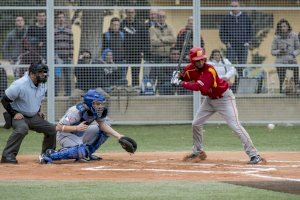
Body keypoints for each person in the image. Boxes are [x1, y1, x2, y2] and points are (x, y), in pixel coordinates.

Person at [171, 47, 265, 164]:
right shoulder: (189, 69)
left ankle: (255, 155)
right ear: (192, 61)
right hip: (209, 100)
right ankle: (198, 152)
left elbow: (200, 87)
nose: (200, 62)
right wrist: (177, 76)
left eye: (202, 59)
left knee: (235, 126)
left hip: (224, 99)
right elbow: (184, 76)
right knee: (196, 124)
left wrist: (180, 83)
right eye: (197, 60)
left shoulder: (209, 70)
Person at [39, 89, 136, 164]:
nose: (100, 106)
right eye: (97, 103)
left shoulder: (94, 111)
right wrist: (76, 128)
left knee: (104, 130)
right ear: (90, 103)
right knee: (81, 150)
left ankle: (87, 154)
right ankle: (50, 155)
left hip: (80, 134)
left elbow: (102, 125)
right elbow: (58, 127)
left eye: (100, 103)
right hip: (65, 135)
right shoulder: (75, 111)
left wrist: (119, 136)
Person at [1, 61, 56, 164]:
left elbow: (38, 99)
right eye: (40, 72)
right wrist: (14, 113)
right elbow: (4, 100)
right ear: (31, 74)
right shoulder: (20, 84)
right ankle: (7, 156)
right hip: (18, 115)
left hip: (33, 116)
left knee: (51, 129)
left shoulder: (43, 85)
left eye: (44, 72)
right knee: (22, 128)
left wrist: (38, 111)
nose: (43, 75)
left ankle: (47, 155)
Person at [219, 0, 253, 79]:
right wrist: (226, 42)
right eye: (232, 6)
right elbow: (222, 32)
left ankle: (240, 82)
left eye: (235, 6)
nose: (233, 8)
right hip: (231, 46)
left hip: (243, 45)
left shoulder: (246, 17)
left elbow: (251, 30)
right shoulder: (226, 18)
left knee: (242, 66)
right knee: (230, 66)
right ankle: (229, 84)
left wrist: (248, 42)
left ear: (239, 7)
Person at [271, 19, 300, 93]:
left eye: (284, 26)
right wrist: (279, 51)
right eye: (281, 27)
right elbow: (272, 51)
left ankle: (297, 86)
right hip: (280, 60)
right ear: (279, 28)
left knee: (296, 67)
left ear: (288, 26)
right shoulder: (276, 37)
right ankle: (282, 87)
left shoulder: (294, 35)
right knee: (281, 70)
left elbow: (298, 48)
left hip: (291, 59)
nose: (283, 28)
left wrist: (293, 54)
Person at [120, 9, 145, 86]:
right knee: (123, 74)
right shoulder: (122, 24)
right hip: (125, 53)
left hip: (136, 53)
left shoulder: (140, 24)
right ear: (126, 13)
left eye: (132, 12)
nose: (130, 14)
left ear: (134, 13)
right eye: (128, 12)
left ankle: (136, 90)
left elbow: (143, 38)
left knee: (135, 75)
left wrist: (142, 51)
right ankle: (122, 89)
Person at [54, 11, 74, 96]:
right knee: (57, 76)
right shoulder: (54, 31)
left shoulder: (69, 31)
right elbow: (52, 44)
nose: (61, 19)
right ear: (57, 19)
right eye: (59, 18)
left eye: (62, 17)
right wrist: (54, 56)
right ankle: (55, 94)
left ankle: (68, 94)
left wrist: (71, 56)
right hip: (57, 58)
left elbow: (71, 44)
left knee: (68, 76)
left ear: (64, 19)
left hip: (67, 58)